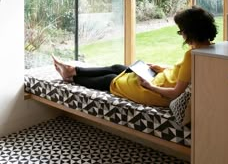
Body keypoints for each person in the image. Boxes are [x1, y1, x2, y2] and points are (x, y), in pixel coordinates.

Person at [52, 6, 217, 107]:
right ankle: (72, 69)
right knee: (118, 68)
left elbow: (175, 93)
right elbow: (184, 74)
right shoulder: (209, 49)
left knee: (110, 79)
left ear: (191, 31)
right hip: (160, 78)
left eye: (181, 30)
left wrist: (149, 86)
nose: (181, 34)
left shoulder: (192, 55)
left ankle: (71, 78)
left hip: (155, 92)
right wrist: (163, 68)